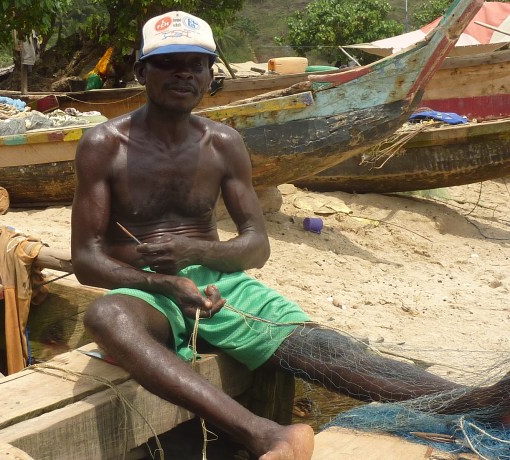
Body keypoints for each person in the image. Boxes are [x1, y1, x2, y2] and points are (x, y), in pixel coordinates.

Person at [71, 11, 509, 459]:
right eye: (169, 62)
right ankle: (267, 434)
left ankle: (482, 403)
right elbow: (86, 259)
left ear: (210, 76)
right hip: (145, 290)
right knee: (108, 318)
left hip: (220, 284)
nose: (184, 72)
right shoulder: (104, 145)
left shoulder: (222, 143)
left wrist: (195, 251)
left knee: (329, 351)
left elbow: (256, 247)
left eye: (197, 63)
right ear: (142, 70)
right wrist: (162, 282)